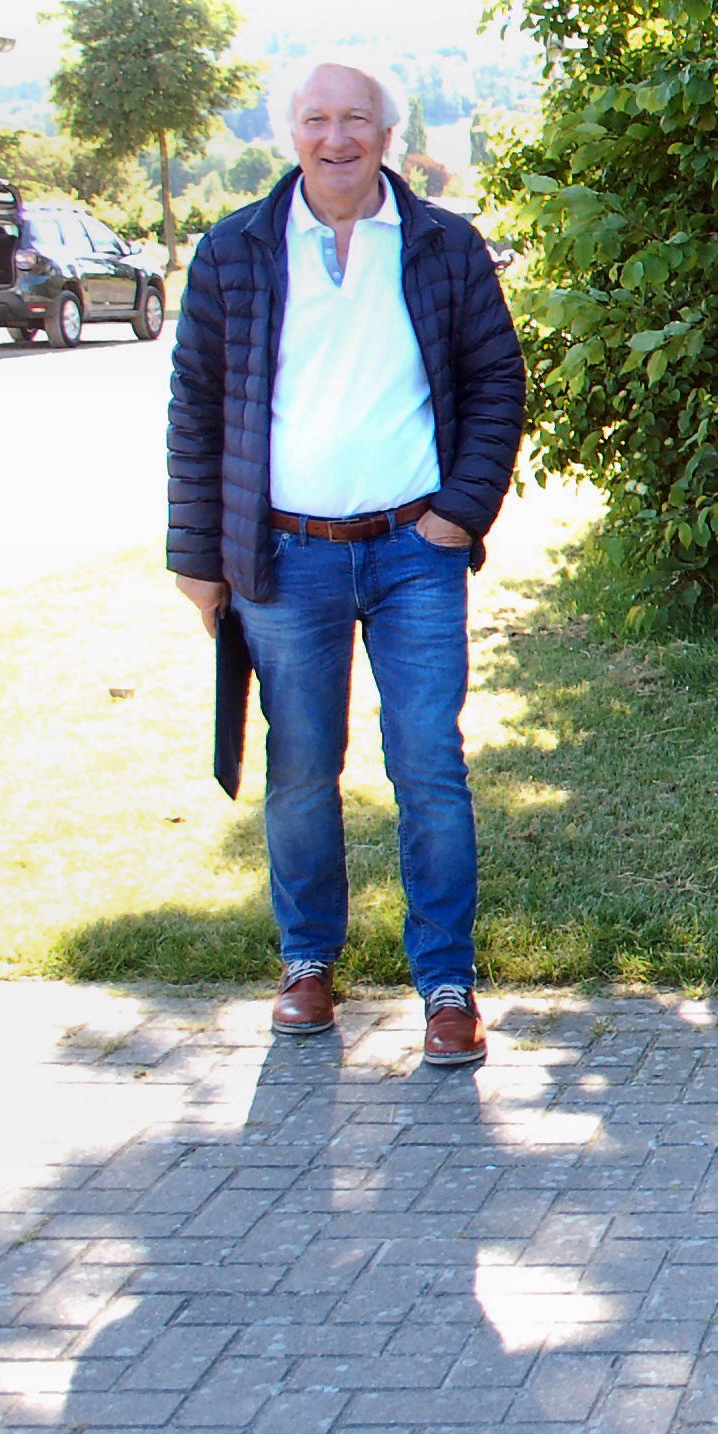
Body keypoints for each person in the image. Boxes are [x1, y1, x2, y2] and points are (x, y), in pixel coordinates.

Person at [167, 61, 525, 1068]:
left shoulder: (442, 243)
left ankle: (446, 983)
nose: (337, 138)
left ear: (386, 134)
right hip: (284, 557)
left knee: (430, 768)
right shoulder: (234, 248)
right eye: (317, 119)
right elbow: (195, 405)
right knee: (298, 770)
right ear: (291, 133)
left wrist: (459, 514)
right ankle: (307, 963)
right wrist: (198, 555)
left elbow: (497, 382)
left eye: (356, 119)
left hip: (416, 553)